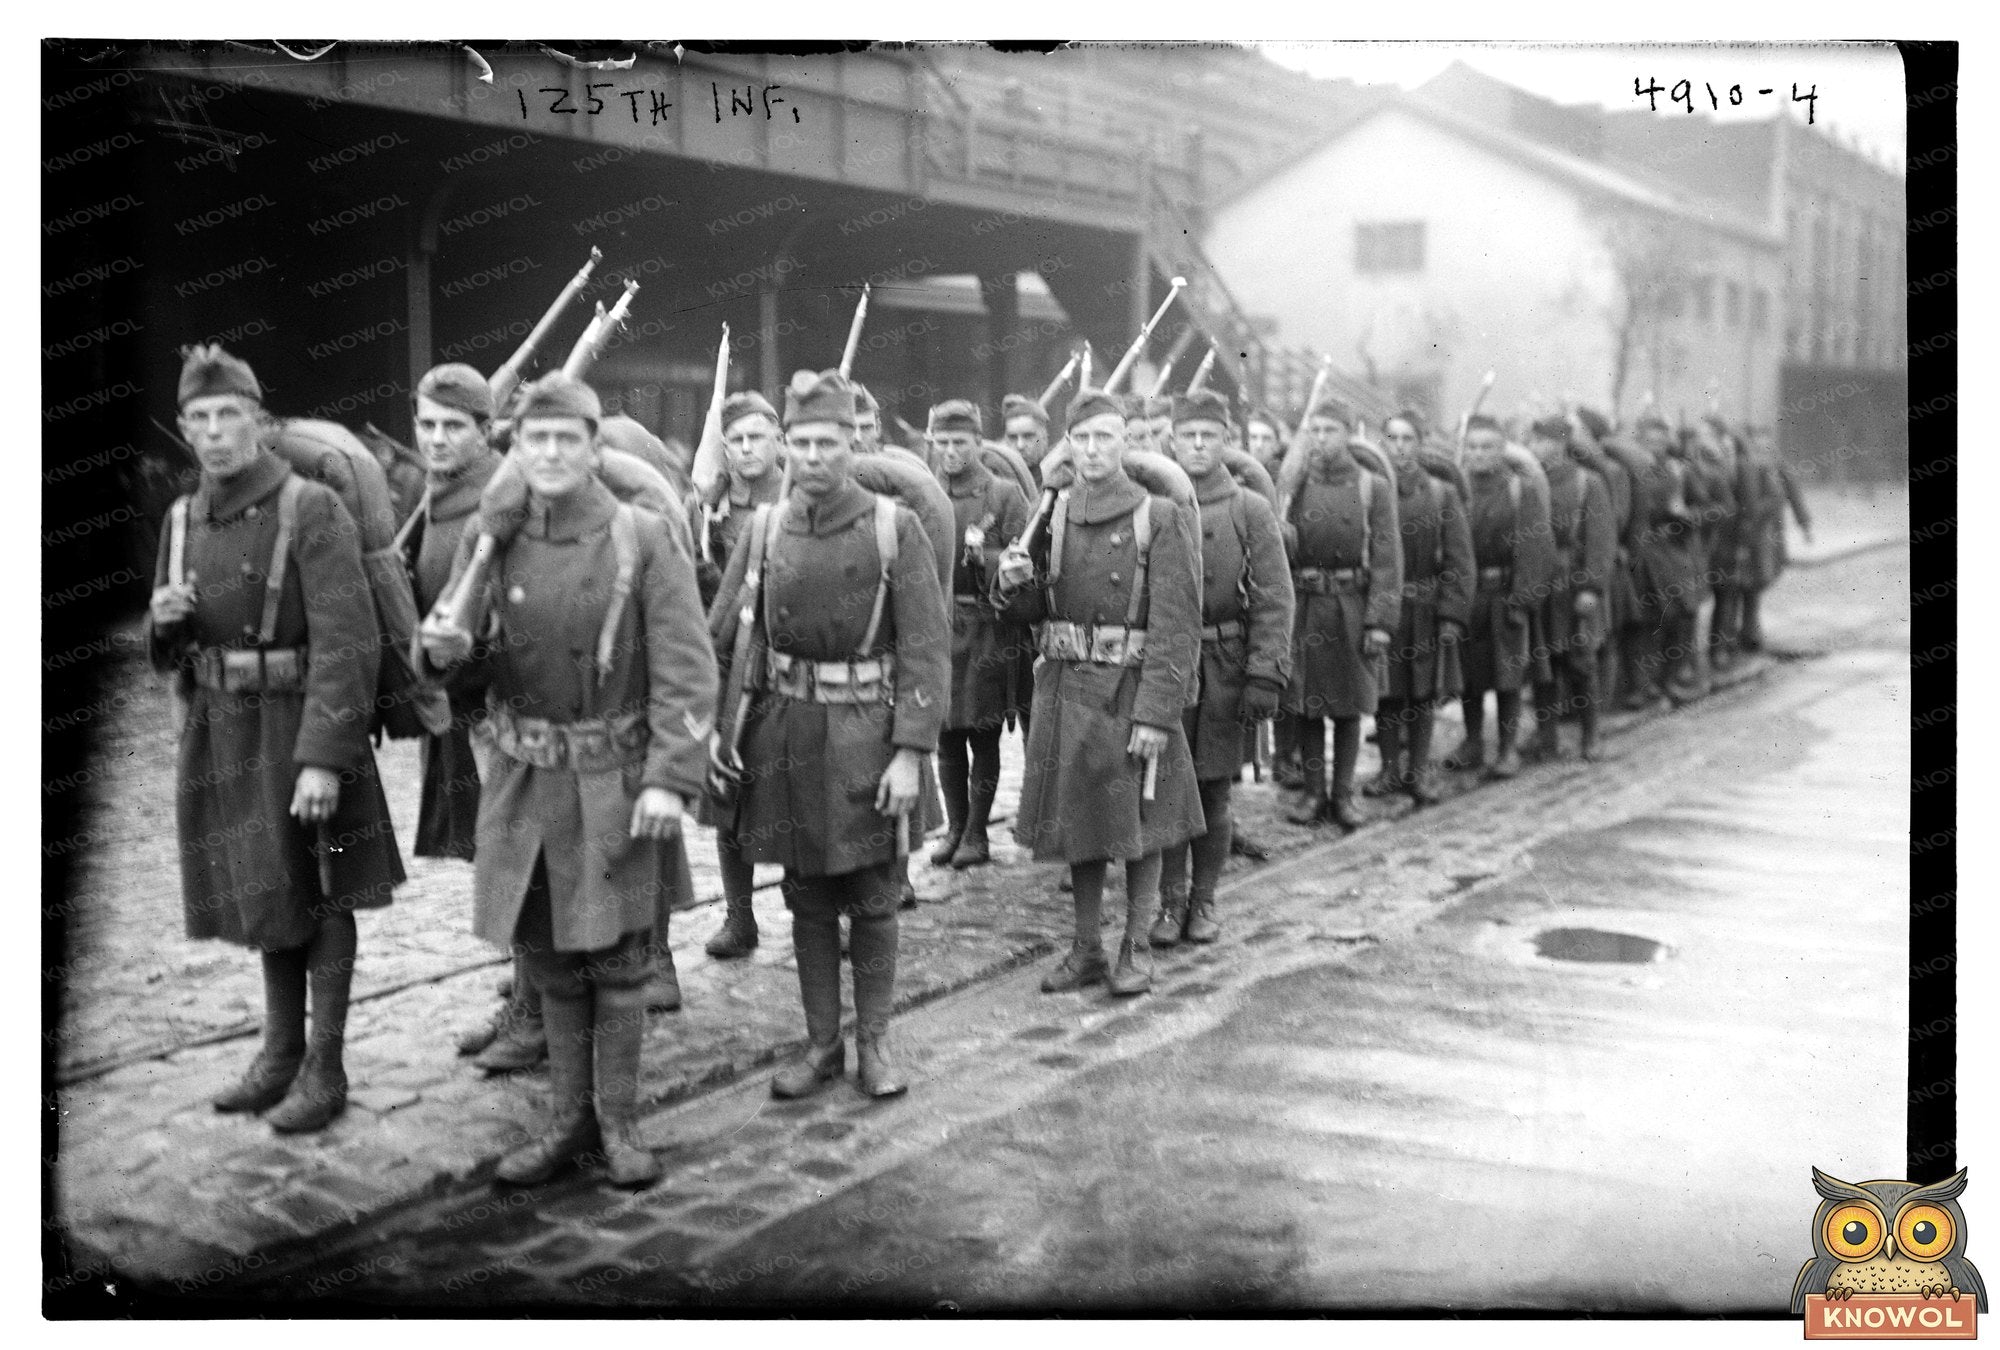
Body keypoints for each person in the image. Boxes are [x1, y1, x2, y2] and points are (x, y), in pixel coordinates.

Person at [419, 373, 717, 1188]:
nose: (548, 454)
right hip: (524, 778)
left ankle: (618, 1125)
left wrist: (668, 778)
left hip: (610, 779)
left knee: (619, 961)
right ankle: (566, 1122)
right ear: (514, 449)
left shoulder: (641, 537)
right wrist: (442, 653)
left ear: (592, 449)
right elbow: (458, 654)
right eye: (534, 440)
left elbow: (689, 674)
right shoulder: (496, 540)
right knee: (547, 954)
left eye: (566, 440)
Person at [148, 344, 405, 1134]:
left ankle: (324, 1069)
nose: (216, 433)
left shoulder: (311, 507)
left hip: (300, 729)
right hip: (225, 732)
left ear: (260, 422)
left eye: (231, 416)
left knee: (323, 895)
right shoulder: (183, 516)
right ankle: (277, 1055)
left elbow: (348, 641)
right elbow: (171, 649)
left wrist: (324, 759)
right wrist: (163, 628)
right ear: (185, 429)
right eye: (200, 418)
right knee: (267, 888)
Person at [707, 371, 949, 1098]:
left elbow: (924, 649)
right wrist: (720, 731)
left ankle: (874, 1045)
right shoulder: (763, 530)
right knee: (806, 897)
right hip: (785, 735)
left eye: (829, 442)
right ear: (785, 446)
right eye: (802, 442)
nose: (814, 456)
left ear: (853, 444)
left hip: (869, 737)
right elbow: (724, 640)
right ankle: (821, 1046)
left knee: (873, 897)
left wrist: (910, 753)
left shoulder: (891, 526)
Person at [994, 387, 1205, 997]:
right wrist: (1014, 585)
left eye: (1105, 438)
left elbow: (1176, 625)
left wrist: (1157, 715)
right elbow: (1033, 611)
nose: (1091, 450)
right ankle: (1085, 948)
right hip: (1065, 685)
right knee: (1078, 824)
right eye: (1081, 439)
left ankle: (1135, 946)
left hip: (1131, 688)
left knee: (1141, 825)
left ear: (1126, 442)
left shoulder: (1157, 516)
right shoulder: (1053, 512)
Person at [400, 364, 546, 1072]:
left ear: (485, 430)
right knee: (498, 859)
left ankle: (536, 1012)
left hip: (507, 706)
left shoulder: (501, 493)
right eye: (425, 425)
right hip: (463, 703)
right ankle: (527, 994)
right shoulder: (440, 493)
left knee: (521, 861)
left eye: (452, 426)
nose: (435, 438)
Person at [1150, 390, 1292, 945]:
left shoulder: (1248, 508)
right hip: (1166, 666)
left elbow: (1275, 595)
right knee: (1163, 789)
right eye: (1189, 435)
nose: (1199, 444)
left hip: (1225, 667)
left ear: (1226, 440)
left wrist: (1264, 673)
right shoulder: (1155, 501)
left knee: (1212, 792)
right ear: (1173, 441)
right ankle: (1169, 903)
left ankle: (1204, 902)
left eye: (1209, 434)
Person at [690, 391, 786, 960]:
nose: (747, 449)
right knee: (728, 790)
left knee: (794, 790)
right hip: (730, 661)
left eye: (757, 437)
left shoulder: (800, 495)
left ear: (778, 440)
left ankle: (817, 912)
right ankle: (739, 916)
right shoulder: (712, 505)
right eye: (736, 440)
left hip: (787, 662)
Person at [1280, 398, 1401, 828]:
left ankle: (1343, 795)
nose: (1320, 439)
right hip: (1308, 605)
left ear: (1349, 434)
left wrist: (1380, 622)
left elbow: (1388, 559)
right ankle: (1314, 795)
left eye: (1330, 430)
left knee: (1349, 708)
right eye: (1314, 431)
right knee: (1309, 706)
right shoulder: (1294, 486)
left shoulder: (1373, 487)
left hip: (1352, 605)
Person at [925, 399, 1031, 870]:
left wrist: (982, 558)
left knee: (982, 737)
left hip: (988, 627)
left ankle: (977, 833)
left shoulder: (1004, 494)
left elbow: (1025, 562)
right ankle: (953, 827)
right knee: (946, 737)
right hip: (938, 628)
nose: (950, 453)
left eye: (960, 443)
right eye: (942, 443)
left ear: (979, 444)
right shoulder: (925, 493)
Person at [1364, 410, 1474, 804]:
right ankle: (1389, 769)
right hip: (1383, 608)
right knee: (1386, 692)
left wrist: (1452, 615)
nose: (1399, 448)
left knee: (1423, 694)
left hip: (1426, 608)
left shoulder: (1441, 493)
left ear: (1420, 443)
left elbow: (1460, 560)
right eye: (1392, 439)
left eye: (1407, 439)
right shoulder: (1373, 490)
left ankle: (1418, 771)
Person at [1442, 414, 1553, 778]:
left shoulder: (1521, 490)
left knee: (1508, 676)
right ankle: (1473, 741)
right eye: (1472, 446)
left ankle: (1507, 750)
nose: (1478, 454)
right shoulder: (1457, 491)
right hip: (1468, 594)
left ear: (1503, 449)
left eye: (1487, 446)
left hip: (1507, 594)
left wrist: (1524, 598)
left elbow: (1536, 548)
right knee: (1470, 676)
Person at [1522, 416, 1615, 762]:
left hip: (1574, 586)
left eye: (1542, 441)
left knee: (1580, 663)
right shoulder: (1529, 482)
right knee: (1541, 663)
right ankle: (1546, 738)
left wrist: (1592, 587)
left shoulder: (1586, 483)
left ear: (1559, 443)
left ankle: (1591, 735)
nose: (1535, 448)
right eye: (1534, 441)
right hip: (1540, 583)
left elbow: (1601, 540)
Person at [1625, 413, 1716, 707]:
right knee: (1643, 621)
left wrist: (1686, 514)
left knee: (1679, 617)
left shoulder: (1680, 472)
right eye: (1648, 441)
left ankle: (1671, 679)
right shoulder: (1629, 470)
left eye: (1661, 441)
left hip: (1674, 551)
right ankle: (1642, 686)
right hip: (1641, 552)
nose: (1655, 447)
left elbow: (1712, 508)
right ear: (1638, 441)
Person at [1721, 425, 1813, 655]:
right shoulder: (1744, 465)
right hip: (1755, 534)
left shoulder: (1774, 465)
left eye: (1766, 444)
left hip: (1765, 535)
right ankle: (1743, 633)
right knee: (1744, 583)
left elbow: (1792, 493)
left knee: (1752, 584)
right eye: (1758, 444)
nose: (1762, 448)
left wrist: (1804, 524)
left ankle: (1748, 632)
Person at [1001, 392, 1054, 483]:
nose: (1020, 446)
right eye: (1012, 437)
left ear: (1044, 437)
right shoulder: (997, 478)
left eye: (1028, 436)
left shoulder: (1059, 477)